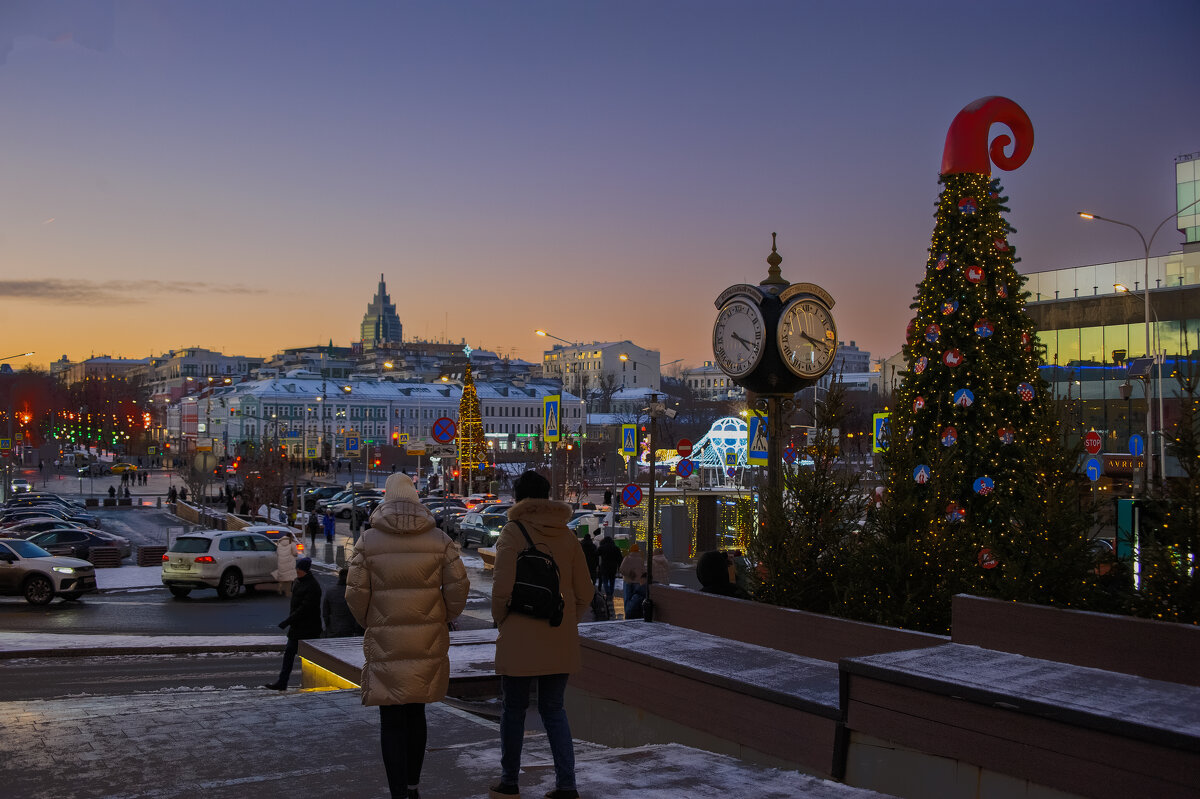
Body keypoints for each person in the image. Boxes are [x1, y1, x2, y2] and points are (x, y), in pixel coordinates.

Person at [347, 473, 468, 799]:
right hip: (426, 639)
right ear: (415, 498)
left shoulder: (368, 541)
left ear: (386, 498)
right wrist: (443, 616)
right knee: (417, 713)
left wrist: (372, 620)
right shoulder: (439, 539)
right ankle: (413, 787)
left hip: (386, 641)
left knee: (391, 719)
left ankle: (397, 792)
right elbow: (459, 588)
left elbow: (354, 594)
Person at [489, 471, 593, 799]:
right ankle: (567, 785)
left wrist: (502, 620)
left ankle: (509, 782)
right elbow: (586, 592)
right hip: (558, 634)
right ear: (548, 497)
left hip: (519, 634)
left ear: (519, 498)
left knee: (514, 709)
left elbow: (501, 589)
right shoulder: (567, 535)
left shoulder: (512, 532)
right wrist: (565, 619)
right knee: (554, 709)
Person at [264, 557, 322, 690]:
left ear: (304, 570)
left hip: (308, 628)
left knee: (311, 658)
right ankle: (282, 682)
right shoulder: (298, 582)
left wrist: (287, 621)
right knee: (289, 655)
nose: (296, 570)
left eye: (298, 569)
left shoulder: (312, 586)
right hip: (297, 627)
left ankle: (314, 683)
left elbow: (304, 609)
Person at [322, 568, 365, 638]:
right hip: (350, 631)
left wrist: (328, 626)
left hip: (334, 629)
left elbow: (325, 613)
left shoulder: (330, 592)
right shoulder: (355, 593)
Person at [619, 542, 646, 607]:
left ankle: (627, 613)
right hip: (637, 582)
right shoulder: (641, 560)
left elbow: (621, 570)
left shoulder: (627, 558)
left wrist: (629, 573)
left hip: (627, 581)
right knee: (635, 600)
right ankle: (633, 613)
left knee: (627, 599)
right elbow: (643, 571)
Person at [596, 535, 622, 603]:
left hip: (604, 567)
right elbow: (619, 559)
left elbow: (596, 554)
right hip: (613, 567)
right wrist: (619, 567)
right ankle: (611, 592)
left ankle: (607, 593)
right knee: (612, 581)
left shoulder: (602, 547)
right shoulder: (616, 548)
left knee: (605, 581)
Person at [273, 532, 299, 597]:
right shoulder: (292, 543)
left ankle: (280, 589)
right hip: (289, 562)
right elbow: (295, 553)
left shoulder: (280, 542)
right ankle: (289, 591)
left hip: (281, 562)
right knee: (290, 577)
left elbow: (277, 552)